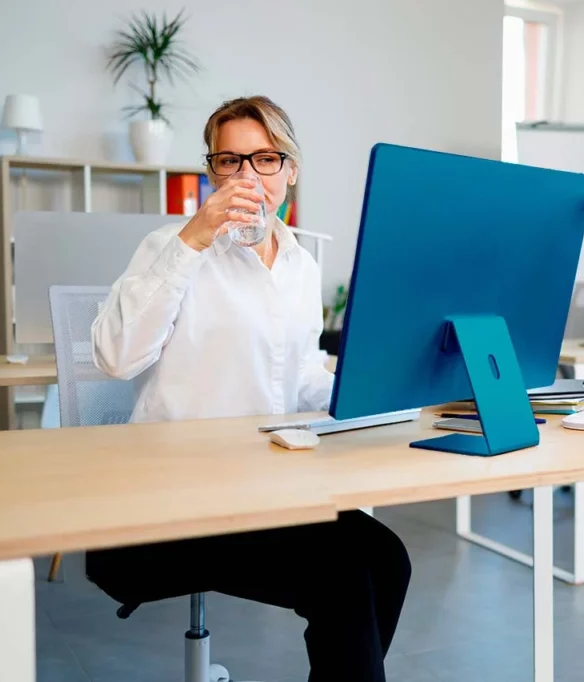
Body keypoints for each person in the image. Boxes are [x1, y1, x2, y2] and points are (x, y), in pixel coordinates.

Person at [88, 96, 411, 682]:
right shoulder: (172, 246)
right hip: (172, 499)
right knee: (341, 570)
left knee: (387, 559)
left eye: (264, 160)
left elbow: (301, 379)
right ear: (210, 172)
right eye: (229, 161)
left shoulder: (301, 266)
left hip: (265, 490)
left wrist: (365, 383)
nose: (246, 177)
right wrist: (193, 238)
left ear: (290, 171)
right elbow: (115, 358)